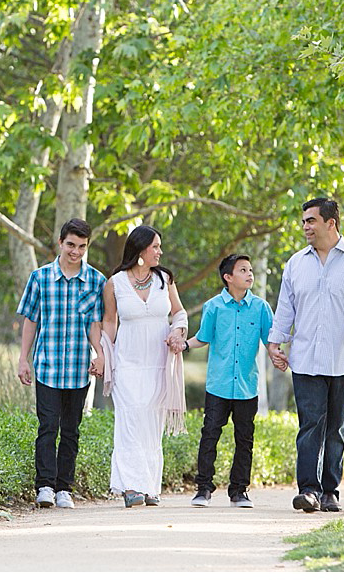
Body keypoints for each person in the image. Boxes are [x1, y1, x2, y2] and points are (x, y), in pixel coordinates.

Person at [267, 197, 344, 513]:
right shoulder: (296, 264)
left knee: (336, 428)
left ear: (330, 222)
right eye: (304, 221)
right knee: (309, 426)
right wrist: (275, 344)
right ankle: (308, 490)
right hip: (305, 359)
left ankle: (330, 491)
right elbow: (285, 308)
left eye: (311, 220)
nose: (305, 226)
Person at [16, 218, 107, 509]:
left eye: (82, 246)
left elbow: (95, 324)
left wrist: (100, 354)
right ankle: (44, 486)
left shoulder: (96, 281)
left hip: (79, 369)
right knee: (47, 427)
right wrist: (23, 359)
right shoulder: (40, 278)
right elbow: (30, 320)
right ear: (60, 243)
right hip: (47, 366)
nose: (76, 251)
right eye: (71, 245)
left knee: (72, 429)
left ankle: (64, 487)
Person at [96, 224, 188, 508]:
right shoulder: (115, 283)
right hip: (127, 363)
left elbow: (179, 312)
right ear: (140, 250)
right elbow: (110, 322)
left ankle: (149, 486)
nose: (160, 252)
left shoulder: (165, 279)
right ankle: (131, 486)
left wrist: (178, 331)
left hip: (159, 364)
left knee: (152, 423)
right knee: (130, 420)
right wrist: (100, 354)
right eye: (155, 247)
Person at [186, 254, 274, 509]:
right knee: (210, 435)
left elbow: (270, 341)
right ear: (228, 277)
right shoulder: (213, 307)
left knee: (244, 439)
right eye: (243, 270)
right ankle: (203, 489)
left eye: (250, 270)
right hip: (219, 384)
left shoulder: (261, 308)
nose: (250, 274)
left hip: (247, 385)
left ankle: (239, 491)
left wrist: (279, 356)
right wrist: (182, 345)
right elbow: (203, 337)